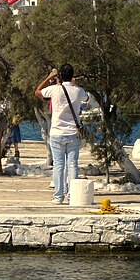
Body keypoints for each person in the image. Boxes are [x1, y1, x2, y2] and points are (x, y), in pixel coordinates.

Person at [35, 64, 86, 204]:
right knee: (73, 165)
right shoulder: (78, 90)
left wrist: (49, 77)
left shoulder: (54, 90)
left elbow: (38, 92)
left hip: (57, 132)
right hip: (73, 133)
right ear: (72, 75)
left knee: (59, 165)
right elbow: (86, 99)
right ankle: (72, 195)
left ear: (60, 76)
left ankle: (58, 196)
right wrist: (75, 84)